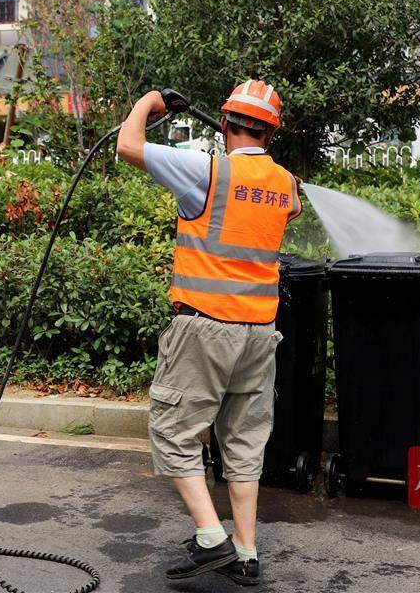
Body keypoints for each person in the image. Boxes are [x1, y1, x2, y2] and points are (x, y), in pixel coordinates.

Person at [117, 80, 301, 587]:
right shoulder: (286, 183)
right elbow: (278, 207)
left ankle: (210, 537)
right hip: (260, 334)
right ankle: (245, 553)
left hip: (204, 329)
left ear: (225, 124)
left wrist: (149, 103)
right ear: (270, 131)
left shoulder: (207, 170)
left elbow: (127, 145)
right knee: (243, 441)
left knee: (172, 433)